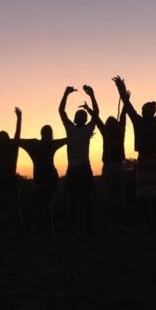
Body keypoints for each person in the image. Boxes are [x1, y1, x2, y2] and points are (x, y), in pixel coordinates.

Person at [113, 75, 156, 231]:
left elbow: (127, 103)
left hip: (144, 159)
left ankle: (148, 224)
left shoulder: (139, 120)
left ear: (145, 111)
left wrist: (120, 87)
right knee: (154, 195)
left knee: (145, 195)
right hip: (151, 158)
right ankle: (153, 224)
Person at [79, 87, 129, 232]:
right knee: (119, 198)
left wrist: (89, 108)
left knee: (108, 197)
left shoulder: (106, 131)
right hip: (119, 167)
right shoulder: (121, 130)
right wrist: (124, 95)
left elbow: (97, 118)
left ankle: (110, 225)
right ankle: (120, 224)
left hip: (109, 167)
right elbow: (125, 112)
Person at [59, 85, 98, 233]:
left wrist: (66, 94)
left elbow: (61, 111)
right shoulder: (87, 130)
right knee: (85, 199)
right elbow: (96, 114)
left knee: (74, 200)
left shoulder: (71, 128)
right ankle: (86, 228)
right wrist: (92, 95)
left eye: (78, 115)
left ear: (76, 119)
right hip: (83, 168)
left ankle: (74, 227)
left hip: (75, 169)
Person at [16, 122, 67, 234]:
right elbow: (67, 140)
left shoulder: (34, 144)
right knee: (46, 207)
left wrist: (3, 141)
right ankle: (46, 229)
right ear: (50, 134)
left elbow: (17, 141)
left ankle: (40, 229)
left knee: (41, 207)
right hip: (50, 180)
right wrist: (82, 134)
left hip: (42, 181)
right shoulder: (51, 144)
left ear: (41, 133)